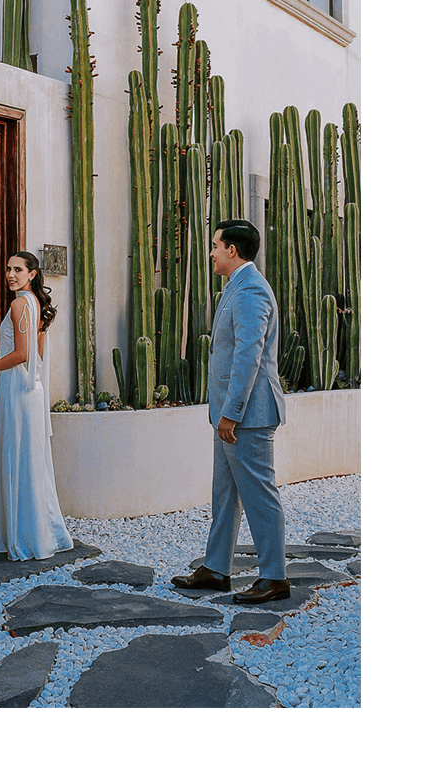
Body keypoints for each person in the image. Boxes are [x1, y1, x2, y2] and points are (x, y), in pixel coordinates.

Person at [170, 219, 290, 604]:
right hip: (232, 414)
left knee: (259, 495)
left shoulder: (251, 289)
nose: (212, 253)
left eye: (215, 246)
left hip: (247, 417)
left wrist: (231, 413)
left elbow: (247, 357)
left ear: (232, 251)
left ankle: (275, 577)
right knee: (224, 494)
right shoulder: (236, 286)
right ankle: (216, 569)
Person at [0, 251, 74, 561]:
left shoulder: (19, 304)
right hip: (32, 391)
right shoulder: (37, 305)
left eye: (18, 269)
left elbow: (21, 353)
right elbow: (37, 356)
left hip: (17, 391)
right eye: (8, 269)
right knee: (31, 461)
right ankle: (40, 531)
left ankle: (22, 537)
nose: (11, 274)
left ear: (32, 274)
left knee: (17, 458)